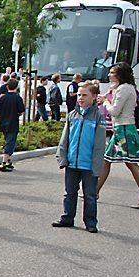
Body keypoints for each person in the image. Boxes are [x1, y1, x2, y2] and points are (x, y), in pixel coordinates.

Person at [96, 63, 139, 209]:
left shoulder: (124, 89)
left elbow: (114, 111)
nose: (109, 75)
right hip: (122, 129)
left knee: (131, 163)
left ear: (120, 75)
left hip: (124, 130)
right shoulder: (126, 88)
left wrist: (106, 102)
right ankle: (94, 192)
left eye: (112, 72)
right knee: (107, 160)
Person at [53, 81, 106, 233]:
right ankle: (67, 217)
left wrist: (97, 165)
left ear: (94, 97)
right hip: (72, 162)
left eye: (84, 95)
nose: (80, 98)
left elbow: (99, 144)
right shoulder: (72, 115)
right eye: (79, 95)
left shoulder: (98, 117)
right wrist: (62, 157)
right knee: (69, 192)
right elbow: (65, 139)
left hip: (88, 164)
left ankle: (90, 222)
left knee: (90, 195)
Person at [0, 78, 25, 172]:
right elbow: (21, 111)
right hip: (13, 123)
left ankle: (8, 161)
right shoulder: (17, 98)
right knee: (10, 143)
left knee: (7, 140)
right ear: (17, 87)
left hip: (3, 123)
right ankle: (3, 163)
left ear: (7, 86)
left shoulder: (2, 98)